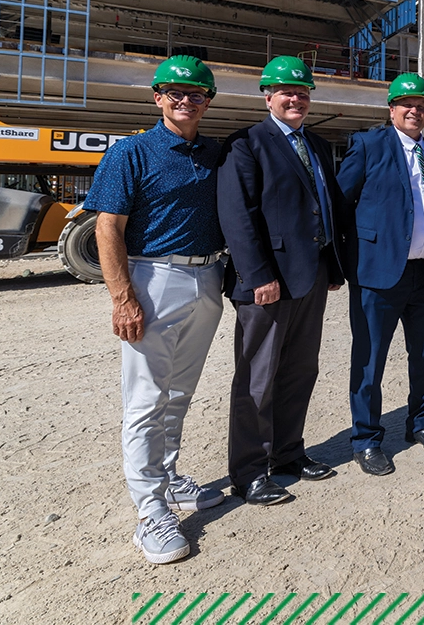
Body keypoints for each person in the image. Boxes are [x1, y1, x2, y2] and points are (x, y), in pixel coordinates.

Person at [84, 55, 226, 565]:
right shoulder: (132, 153)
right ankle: (150, 512)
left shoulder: (213, 152)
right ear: (157, 97)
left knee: (180, 391)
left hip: (208, 275)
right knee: (146, 399)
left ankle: (167, 477)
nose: (185, 99)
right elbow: (107, 228)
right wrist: (122, 297)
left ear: (208, 101)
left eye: (196, 93)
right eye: (174, 92)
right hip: (153, 277)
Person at [216, 56, 344, 506]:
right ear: (267, 96)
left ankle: (288, 453)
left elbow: (322, 210)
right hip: (268, 282)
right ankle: (249, 471)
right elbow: (238, 216)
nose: (296, 99)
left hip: (309, 278)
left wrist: (332, 267)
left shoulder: (319, 145)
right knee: (257, 377)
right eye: (286, 92)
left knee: (298, 371)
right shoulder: (246, 144)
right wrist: (257, 276)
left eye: (303, 92)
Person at [338, 73, 424, 477]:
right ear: (391, 108)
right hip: (379, 275)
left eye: (421, 104)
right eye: (406, 103)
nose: (414, 110)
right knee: (369, 361)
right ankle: (366, 439)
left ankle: (420, 422)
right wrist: (348, 264)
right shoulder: (368, 145)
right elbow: (340, 205)